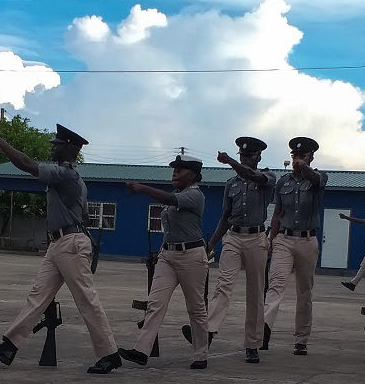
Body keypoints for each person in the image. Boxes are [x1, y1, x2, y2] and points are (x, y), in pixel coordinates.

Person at [0, 124, 122, 374]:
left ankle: (109, 353)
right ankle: (9, 346)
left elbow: (27, 164)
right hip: (61, 243)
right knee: (38, 296)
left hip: (69, 244)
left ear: (70, 148)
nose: (52, 147)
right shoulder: (75, 179)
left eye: (57, 144)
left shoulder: (64, 174)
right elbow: (85, 215)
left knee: (86, 299)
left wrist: (0, 142)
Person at [184, 137, 275, 362]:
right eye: (242, 156)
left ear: (259, 157)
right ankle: (208, 330)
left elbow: (254, 176)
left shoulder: (267, 177)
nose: (244, 159)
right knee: (223, 285)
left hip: (256, 237)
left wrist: (231, 162)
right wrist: (212, 243)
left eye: (249, 156)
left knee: (255, 292)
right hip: (233, 236)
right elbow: (225, 216)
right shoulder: (231, 184)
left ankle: (252, 343)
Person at [120, 155, 210, 369]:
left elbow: (169, 201)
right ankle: (142, 350)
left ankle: (200, 355)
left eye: (180, 170)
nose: (175, 173)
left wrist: (143, 188)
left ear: (194, 175)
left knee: (196, 307)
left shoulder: (196, 195)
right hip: (168, 256)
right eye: (174, 169)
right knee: (155, 303)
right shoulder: (178, 194)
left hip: (191, 256)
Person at [261, 137, 328, 357]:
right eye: (294, 155)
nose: (297, 159)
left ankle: (301, 339)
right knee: (276, 283)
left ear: (311, 157)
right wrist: (271, 240)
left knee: (304, 291)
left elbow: (316, 179)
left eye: (302, 155)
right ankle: (264, 328)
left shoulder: (319, 177)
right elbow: (278, 213)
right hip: (285, 239)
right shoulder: (283, 182)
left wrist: (305, 168)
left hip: (308, 240)